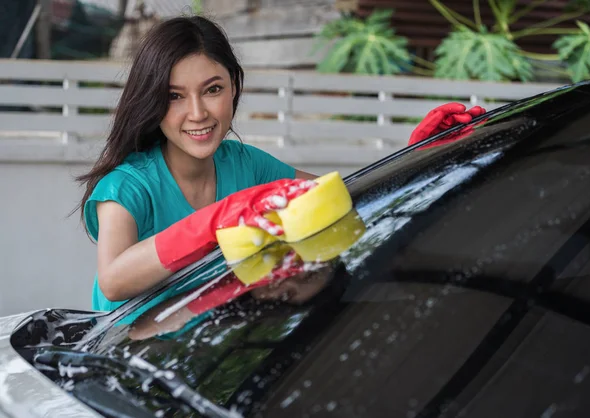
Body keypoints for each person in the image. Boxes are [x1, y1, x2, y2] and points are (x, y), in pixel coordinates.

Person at [76, 15, 484, 312]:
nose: (197, 112)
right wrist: (216, 220)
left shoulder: (246, 165)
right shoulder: (127, 186)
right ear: (152, 100)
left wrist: (419, 158)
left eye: (212, 89)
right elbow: (113, 282)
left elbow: (338, 198)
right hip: (129, 373)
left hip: (221, 357)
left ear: (234, 87)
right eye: (175, 96)